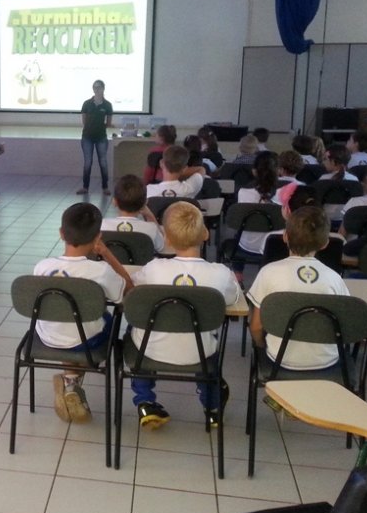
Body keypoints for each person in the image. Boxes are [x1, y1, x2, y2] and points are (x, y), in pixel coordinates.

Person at [131, 202, 239, 427]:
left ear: (167, 240)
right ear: (206, 233)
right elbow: (231, 301)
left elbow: (134, 291)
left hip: (150, 351)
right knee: (206, 338)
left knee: (136, 331)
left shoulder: (153, 269)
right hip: (200, 352)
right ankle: (212, 407)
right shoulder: (221, 274)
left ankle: (145, 401)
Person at [33, 202, 131, 422]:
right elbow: (127, 290)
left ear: (61, 233)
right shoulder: (100, 271)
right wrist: (106, 253)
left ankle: (70, 382)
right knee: (102, 322)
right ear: (98, 237)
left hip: (46, 337)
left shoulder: (42, 266)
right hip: (85, 342)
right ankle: (71, 383)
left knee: (68, 321)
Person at [248, 206, 350, 371]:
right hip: (327, 362)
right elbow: (344, 325)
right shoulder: (335, 278)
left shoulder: (268, 272)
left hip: (279, 359)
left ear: (285, 237)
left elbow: (256, 327)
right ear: (325, 244)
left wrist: (261, 346)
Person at [100, 174, 165, 253]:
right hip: (143, 266)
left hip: (108, 265)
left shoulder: (102, 226)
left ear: (114, 201)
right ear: (145, 203)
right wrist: (150, 216)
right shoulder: (151, 229)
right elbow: (162, 247)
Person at [77, 80, 113, 195]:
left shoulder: (107, 105)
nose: (97, 89)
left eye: (99, 87)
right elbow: (84, 120)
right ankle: (85, 187)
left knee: (103, 162)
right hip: (87, 137)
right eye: (95, 87)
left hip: (101, 137)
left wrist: (99, 128)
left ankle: (105, 187)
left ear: (103, 89)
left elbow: (108, 123)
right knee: (88, 162)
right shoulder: (86, 103)